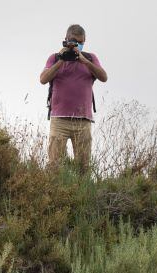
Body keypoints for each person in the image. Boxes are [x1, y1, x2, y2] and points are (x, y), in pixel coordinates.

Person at [38, 24, 108, 169]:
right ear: (66, 40)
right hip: (59, 121)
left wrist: (85, 61)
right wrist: (61, 60)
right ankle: (53, 191)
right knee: (54, 165)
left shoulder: (90, 58)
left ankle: (81, 191)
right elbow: (43, 79)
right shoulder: (55, 58)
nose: (77, 45)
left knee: (83, 167)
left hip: (83, 121)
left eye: (81, 42)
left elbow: (103, 77)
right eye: (74, 41)